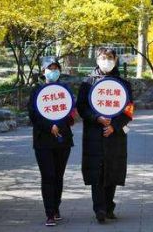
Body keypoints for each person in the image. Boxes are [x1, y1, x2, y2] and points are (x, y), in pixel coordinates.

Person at [76, 47, 134, 224]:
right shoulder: (88, 83)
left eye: (110, 57)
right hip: (94, 132)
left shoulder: (124, 84)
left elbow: (129, 109)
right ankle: (99, 208)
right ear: (97, 59)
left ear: (115, 59)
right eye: (103, 57)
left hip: (115, 134)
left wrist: (114, 126)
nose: (106, 60)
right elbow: (81, 107)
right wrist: (97, 118)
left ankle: (109, 207)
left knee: (113, 169)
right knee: (97, 171)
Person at [28, 60, 76, 227]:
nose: (53, 71)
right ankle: (49, 213)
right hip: (43, 141)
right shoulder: (36, 91)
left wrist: (59, 125)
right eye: (50, 68)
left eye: (56, 68)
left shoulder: (66, 90)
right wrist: (50, 126)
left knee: (58, 176)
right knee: (48, 176)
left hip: (63, 140)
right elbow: (33, 115)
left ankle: (56, 208)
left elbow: (71, 113)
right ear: (43, 71)